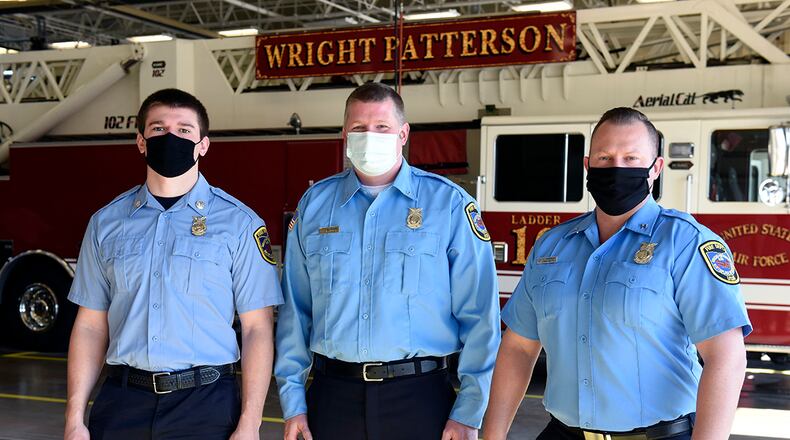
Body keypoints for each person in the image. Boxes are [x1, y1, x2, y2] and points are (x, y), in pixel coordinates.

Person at [483, 107, 751, 440]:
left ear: (655, 169)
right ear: (587, 166)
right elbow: (519, 348)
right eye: (605, 158)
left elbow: (727, 358)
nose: (616, 168)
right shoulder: (551, 246)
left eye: (631, 158)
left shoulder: (686, 244)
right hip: (563, 433)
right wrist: (491, 435)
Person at [275, 82, 501, 440]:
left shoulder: (449, 205)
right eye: (359, 128)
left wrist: (469, 412)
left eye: (381, 127)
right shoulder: (314, 206)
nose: (370, 136)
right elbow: (295, 313)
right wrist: (293, 402)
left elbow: (481, 318)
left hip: (420, 397)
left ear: (403, 133)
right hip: (333, 396)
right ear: (344, 134)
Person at [64, 88, 282, 440]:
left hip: (206, 405)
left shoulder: (240, 224)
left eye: (184, 130)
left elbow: (257, 328)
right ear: (140, 141)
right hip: (122, 402)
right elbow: (90, 326)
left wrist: (250, 423)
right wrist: (74, 417)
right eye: (158, 129)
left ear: (203, 145)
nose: (171, 137)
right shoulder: (106, 223)